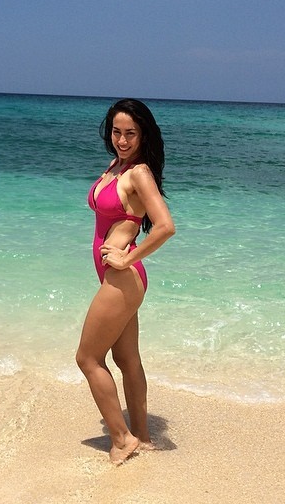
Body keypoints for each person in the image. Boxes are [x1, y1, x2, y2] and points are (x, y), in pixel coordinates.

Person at [76, 98, 175, 465]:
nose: (122, 140)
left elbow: (165, 226)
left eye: (130, 133)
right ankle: (144, 437)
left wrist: (127, 258)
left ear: (143, 134)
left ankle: (121, 438)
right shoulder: (116, 167)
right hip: (115, 277)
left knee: (87, 358)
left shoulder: (139, 173)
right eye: (116, 132)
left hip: (123, 277)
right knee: (126, 357)